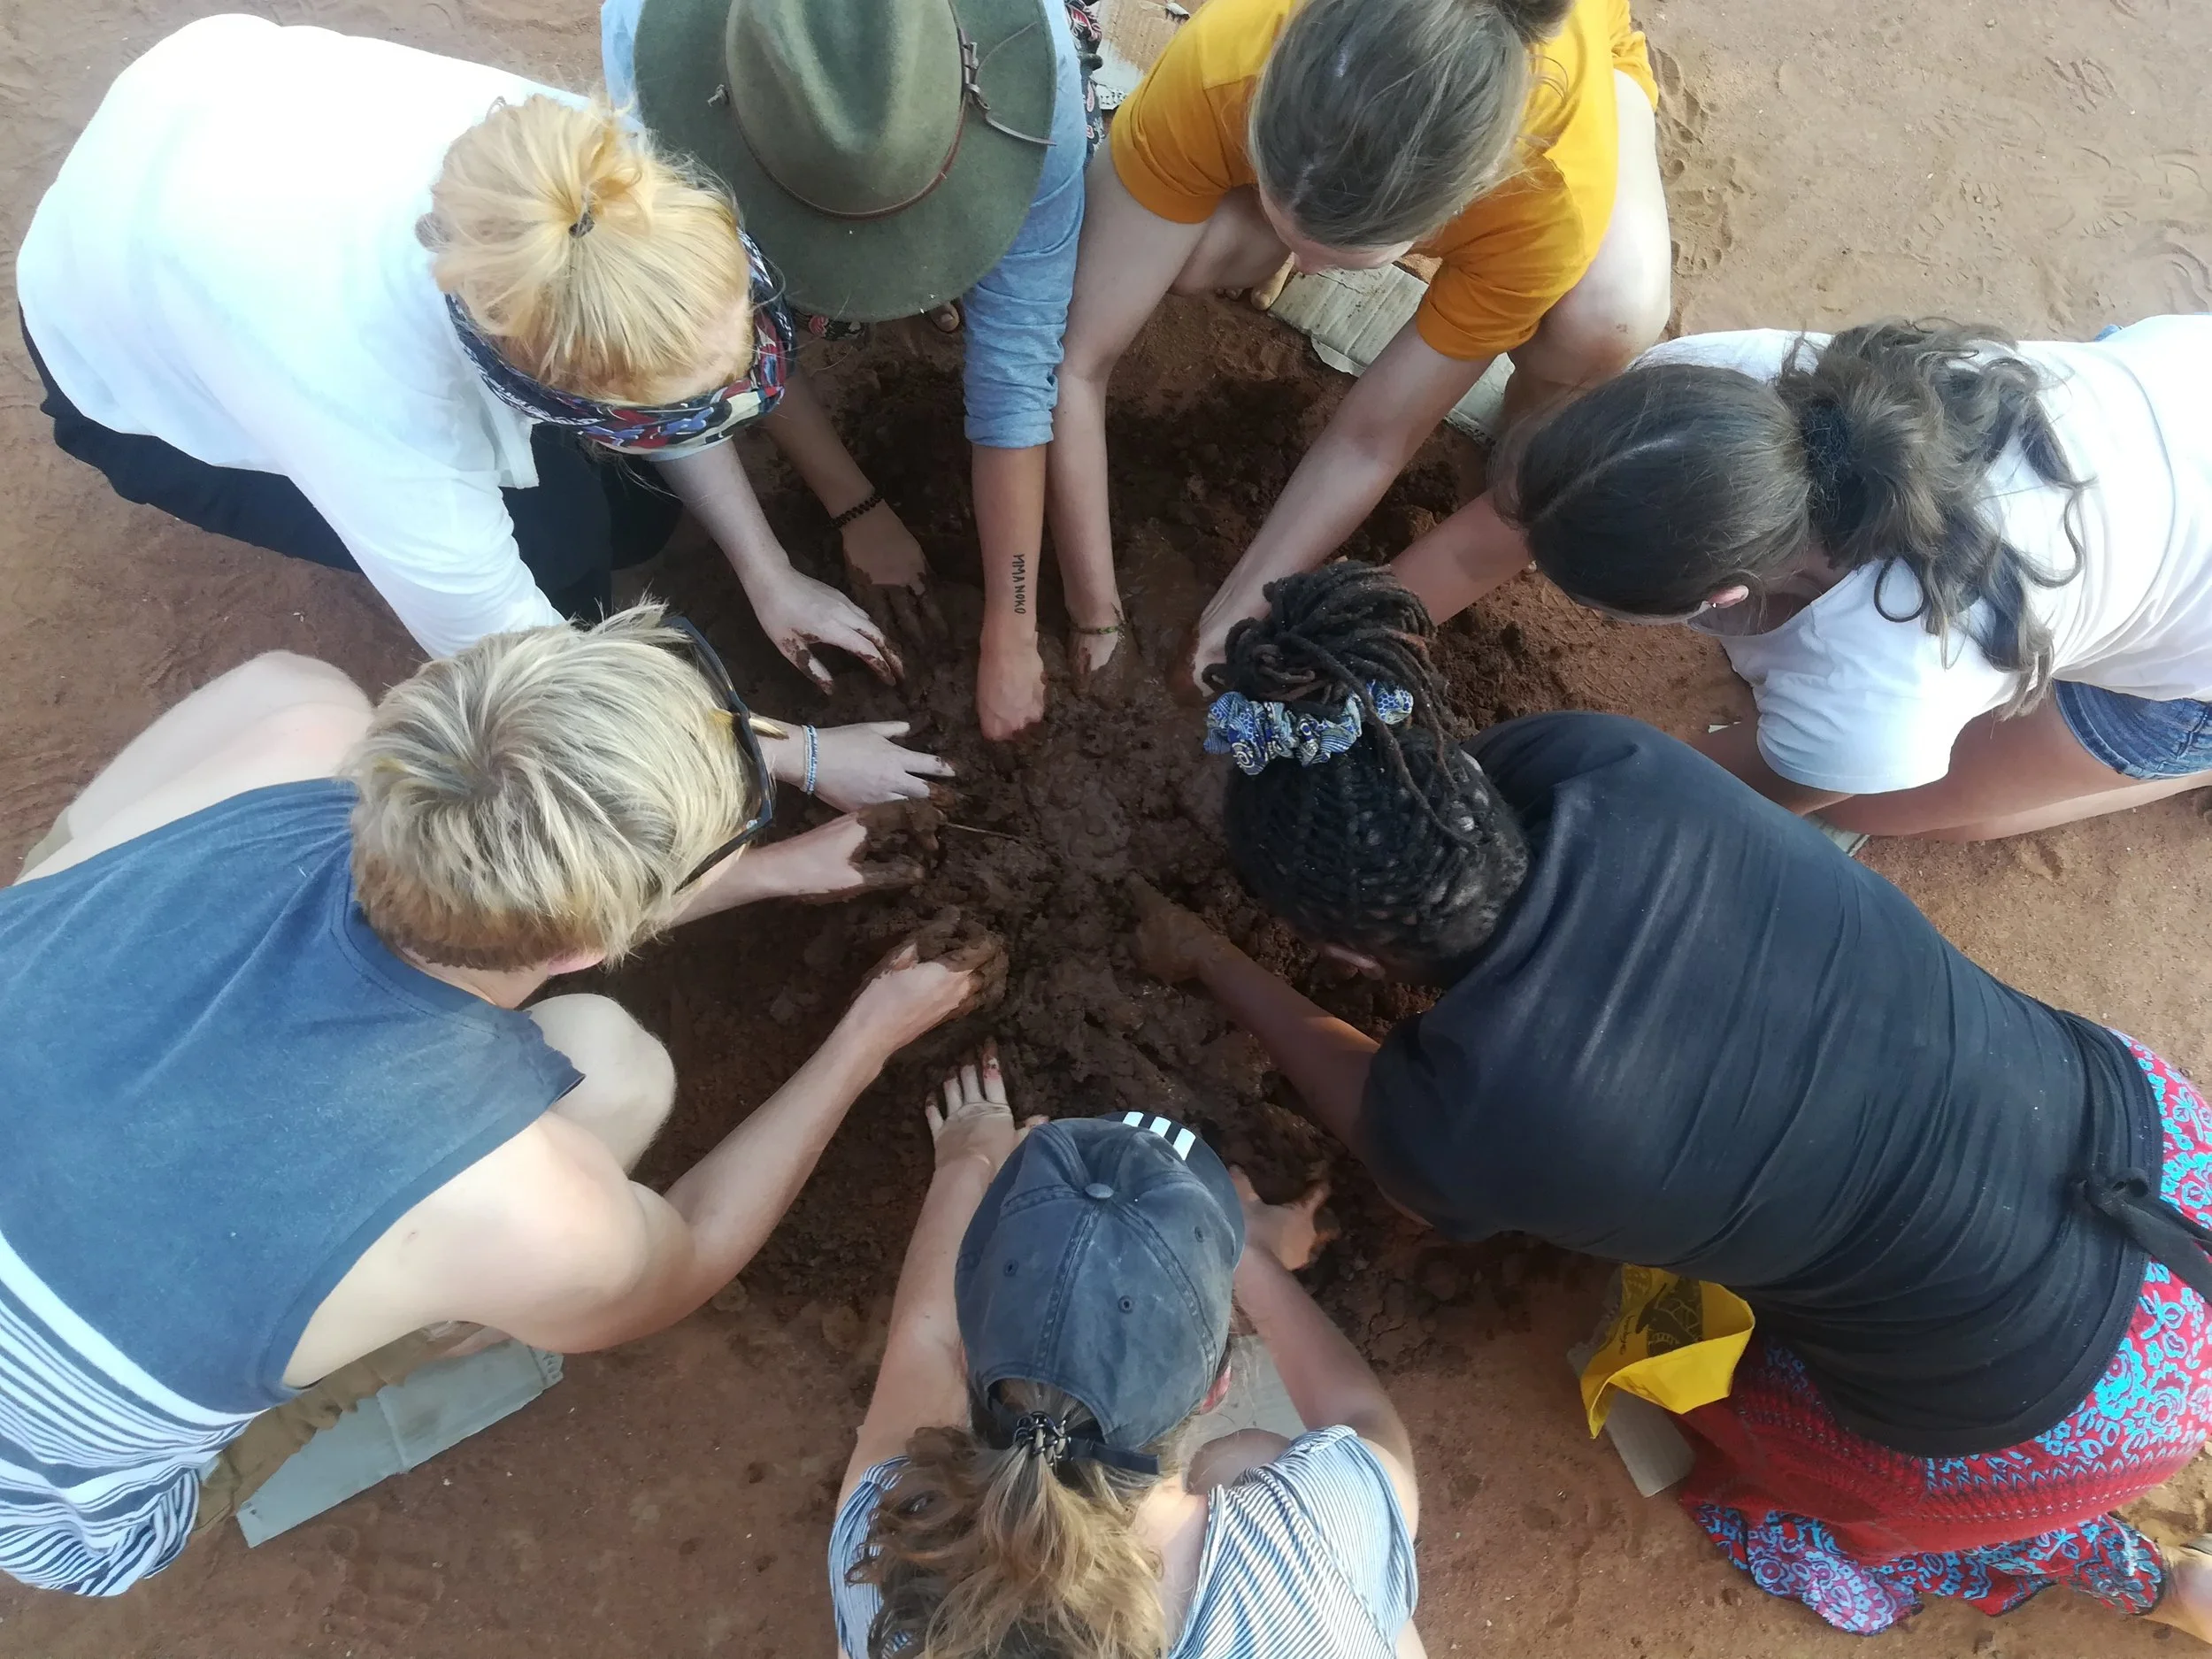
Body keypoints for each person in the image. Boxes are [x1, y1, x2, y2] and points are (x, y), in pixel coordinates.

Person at [1133, 561, 2212, 1639]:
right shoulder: (1595, 758)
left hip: (2047, 1412)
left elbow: (1381, 1124)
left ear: (1343, 956)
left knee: (1751, 1427)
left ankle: (2130, 1574)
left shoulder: (1476, 1126)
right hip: (2159, 1154)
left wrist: (1213, 961)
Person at [0, 603, 1002, 1596]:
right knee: (614, 1071)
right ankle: (441, 1314)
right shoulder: (518, 1201)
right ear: (586, 949)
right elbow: (688, 1250)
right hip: (53, 1506)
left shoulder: (288, 715)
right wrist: (865, 1037)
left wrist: (769, 877)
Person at [18, 13, 953, 810]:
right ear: (542, 388)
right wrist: (806, 756)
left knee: (634, 518)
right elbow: (532, 658)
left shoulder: (590, 187)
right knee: (563, 569)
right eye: (658, 413)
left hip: (225, 109)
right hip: (129, 350)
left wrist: (767, 568)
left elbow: (648, 343)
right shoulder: (376, 412)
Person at [1396, 315, 2212, 840]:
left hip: (2190, 653)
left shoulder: (1888, 684)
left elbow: (1701, 795)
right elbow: (1485, 540)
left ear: (1721, 598)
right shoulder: (1715, 385)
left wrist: (1462, 799)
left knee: (1883, 806)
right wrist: (1345, 640)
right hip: (2176, 385)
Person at [1051, 0, 1671, 689]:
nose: (1308, 275)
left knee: (1606, 321)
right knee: (1195, 258)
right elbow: (1077, 362)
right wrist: (1094, 613)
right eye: (1292, 235)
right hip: (1323, 103)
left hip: (1583, 63)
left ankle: (1518, 440)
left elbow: (1372, 438)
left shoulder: (1546, 195)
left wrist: (1237, 617)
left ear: (1464, 202)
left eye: (1342, 261)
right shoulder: (1227, 56)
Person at [607, 0, 1102, 741]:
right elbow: (727, 326)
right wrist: (854, 505)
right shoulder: (649, 57)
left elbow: (1018, 368)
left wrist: (1015, 624)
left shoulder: (1039, 81)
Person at [827, 1058, 1423, 1658]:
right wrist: (1249, 1251)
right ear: (1216, 1386)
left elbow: (920, 1338)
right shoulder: (1310, 1537)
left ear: (966, 1361)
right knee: (1249, 1459)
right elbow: (1362, 1416)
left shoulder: (890, 1556)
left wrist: (968, 1155)